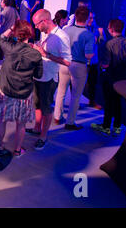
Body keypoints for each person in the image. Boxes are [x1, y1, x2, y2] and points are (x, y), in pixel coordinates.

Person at [0, 20, 43, 156]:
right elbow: (38, 75)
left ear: (16, 33)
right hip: (24, 93)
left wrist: (11, 27)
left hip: (5, 90)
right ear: (30, 33)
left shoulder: (9, 48)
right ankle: (17, 150)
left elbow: (2, 37)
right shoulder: (36, 54)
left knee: (2, 119)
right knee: (21, 124)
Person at [91, 19, 126, 135]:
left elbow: (105, 64)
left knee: (109, 102)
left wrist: (100, 66)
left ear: (111, 29)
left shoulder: (109, 44)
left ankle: (105, 126)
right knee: (118, 102)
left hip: (112, 79)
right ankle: (117, 127)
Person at [29, 9, 71, 150]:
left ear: (45, 21)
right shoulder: (46, 34)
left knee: (46, 107)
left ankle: (43, 136)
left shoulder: (62, 36)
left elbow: (67, 61)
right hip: (39, 75)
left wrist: (46, 54)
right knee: (37, 104)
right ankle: (36, 128)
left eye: (36, 24)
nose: (35, 27)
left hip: (49, 78)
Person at [53, 6, 95, 130]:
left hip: (64, 63)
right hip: (79, 65)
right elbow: (88, 55)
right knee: (76, 95)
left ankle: (57, 116)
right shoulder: (89, 35)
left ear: (75, 17)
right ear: (87, 18)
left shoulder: (66, 30)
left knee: (61, 91)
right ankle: (70, 122)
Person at [84, 12, 104, 109]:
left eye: (93, 18)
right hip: (82, 61)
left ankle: (92, 101)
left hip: (93, 61)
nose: (92, 20)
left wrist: (101, 35)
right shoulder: (82, 29)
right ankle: (74, 102)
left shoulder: (97, 29)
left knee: (93, 83)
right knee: (77, 83)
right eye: (90, 18)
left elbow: (101, 43)